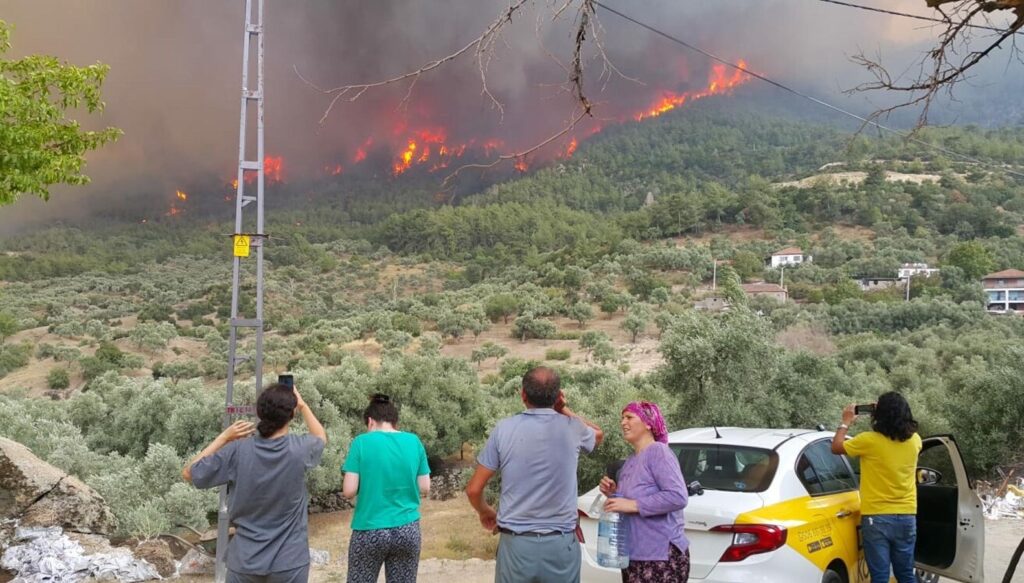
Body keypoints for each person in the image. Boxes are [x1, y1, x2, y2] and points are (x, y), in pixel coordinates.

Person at [465, 366, 604, 583]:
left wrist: (485, 511)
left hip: (516, 547)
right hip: (561, 546)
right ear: (558, 396)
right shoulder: (573, 428)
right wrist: (564, 410)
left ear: (523, 394)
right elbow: (598, 434)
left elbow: (473, 489)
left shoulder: (503, 429)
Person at [182, 383, 327, 583]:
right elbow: (320, 436)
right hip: (290, 561)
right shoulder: (300, 449)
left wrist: (224, 437)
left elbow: (189, 472)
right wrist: (303, 405)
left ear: (260, 413)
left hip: (245, 561)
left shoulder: (238, 451)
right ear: (291, 414)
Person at [831, 391, 922, 583]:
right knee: (905, 574)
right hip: (907, 516)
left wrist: (846, 421)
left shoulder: (868, 441)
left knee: (880, 577)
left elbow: (836, 447)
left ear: (879, 415)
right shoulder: (916, 441)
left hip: (877, 517)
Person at [341, 394, 431, 583]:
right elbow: (425, 487)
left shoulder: (361, 442)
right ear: (394, 421)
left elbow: (349, 490)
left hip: (370, 529)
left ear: (370, 421)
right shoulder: (414, 441)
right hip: (407, 528)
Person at [599, 400, 689, 583]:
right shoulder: (631, 461)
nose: (623, 422)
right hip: (633, 555)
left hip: (660, 557)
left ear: (648, 423)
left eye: (629, 417)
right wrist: (614, 494)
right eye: (622, 418)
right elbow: (629, 503)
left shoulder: (658, 452)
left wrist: (633, 504)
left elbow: (678, 496)